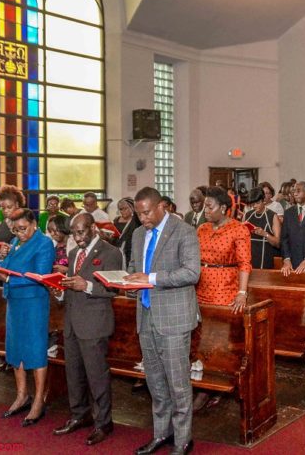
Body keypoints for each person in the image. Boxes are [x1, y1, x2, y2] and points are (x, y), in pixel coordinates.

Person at [124, 187, 200, 455]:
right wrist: (126, 280)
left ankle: (183, 440)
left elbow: (191, 272)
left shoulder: (184, 231)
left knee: (178, 383)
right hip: (146, 315)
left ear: (161, 207)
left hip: (174, 317)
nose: (142, 218)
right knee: (155, 381)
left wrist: (151, 278)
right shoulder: (137, 234)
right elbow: (134, 267)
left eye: (146, 213)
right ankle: (161, 433)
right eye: (139, 214)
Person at [0, 208, 54, 426]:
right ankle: (21, 395)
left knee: (35, 349)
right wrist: (1, 256)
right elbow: (2, 269)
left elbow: (40, 276)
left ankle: (38, 400)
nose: (19, 233)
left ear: (34, 224)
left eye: (23, 229)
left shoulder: (44, 243)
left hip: (34, 302)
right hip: (15, 302)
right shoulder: (16, 242)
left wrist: (9, 280)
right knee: (16, 347)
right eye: (16, 230)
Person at [53, 213, 123, 445]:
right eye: (74, 233)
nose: (77, 238)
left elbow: (113, 289)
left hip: (95, 324)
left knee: (97, 377)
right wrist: (60, 292)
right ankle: (79, 415)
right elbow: (72, 286)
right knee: (73, 375)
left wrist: (87, 286)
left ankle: (103, 423)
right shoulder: (74, 253)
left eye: (81, 232)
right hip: (72, 322)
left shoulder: (111, 253)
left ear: (93, 228)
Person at [193, 186, 252, 411]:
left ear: (224, 208)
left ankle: (213, 385)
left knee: (218, 337)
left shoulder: (238, 229)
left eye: (210, 206)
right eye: (205, 207)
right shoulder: (202, 229)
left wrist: (242, 293)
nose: (206, 210)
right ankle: (204, 380)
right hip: (201, 286)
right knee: (200, 336)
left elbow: (244, 264)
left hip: (224, 286)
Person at [242, 187, 281, 269]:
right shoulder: (247, 215)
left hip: (266, 259)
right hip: (249, 259)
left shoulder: (273, 216)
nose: (254, 206)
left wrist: (265, 234)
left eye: (257, 203)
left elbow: (278, 243)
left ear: (264, 200)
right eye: (252, 204)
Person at [114, 197, 141, 266]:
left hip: (130, 250)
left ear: (132, 208)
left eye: (125, 208)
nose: (123, 211)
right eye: (121, 209)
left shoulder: (136, 221)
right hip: (117, 250)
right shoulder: (116, 221)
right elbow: (115, 237)